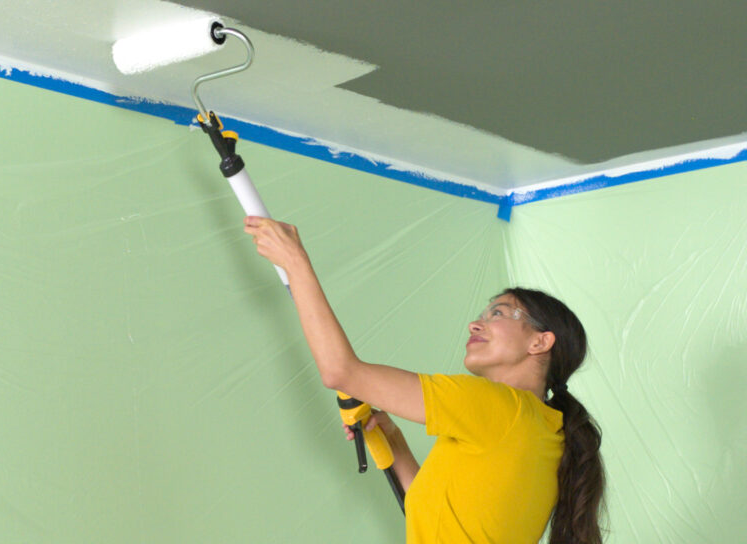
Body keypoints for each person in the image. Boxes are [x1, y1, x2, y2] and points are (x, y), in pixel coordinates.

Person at [243, 216, 605, 544]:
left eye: (499, 312)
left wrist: (294, 262)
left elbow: (342, 371)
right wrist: (394, 442)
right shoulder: (545, 429)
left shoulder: (495, 404)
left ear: (540, 342)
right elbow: (441, 518)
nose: (476, 323)